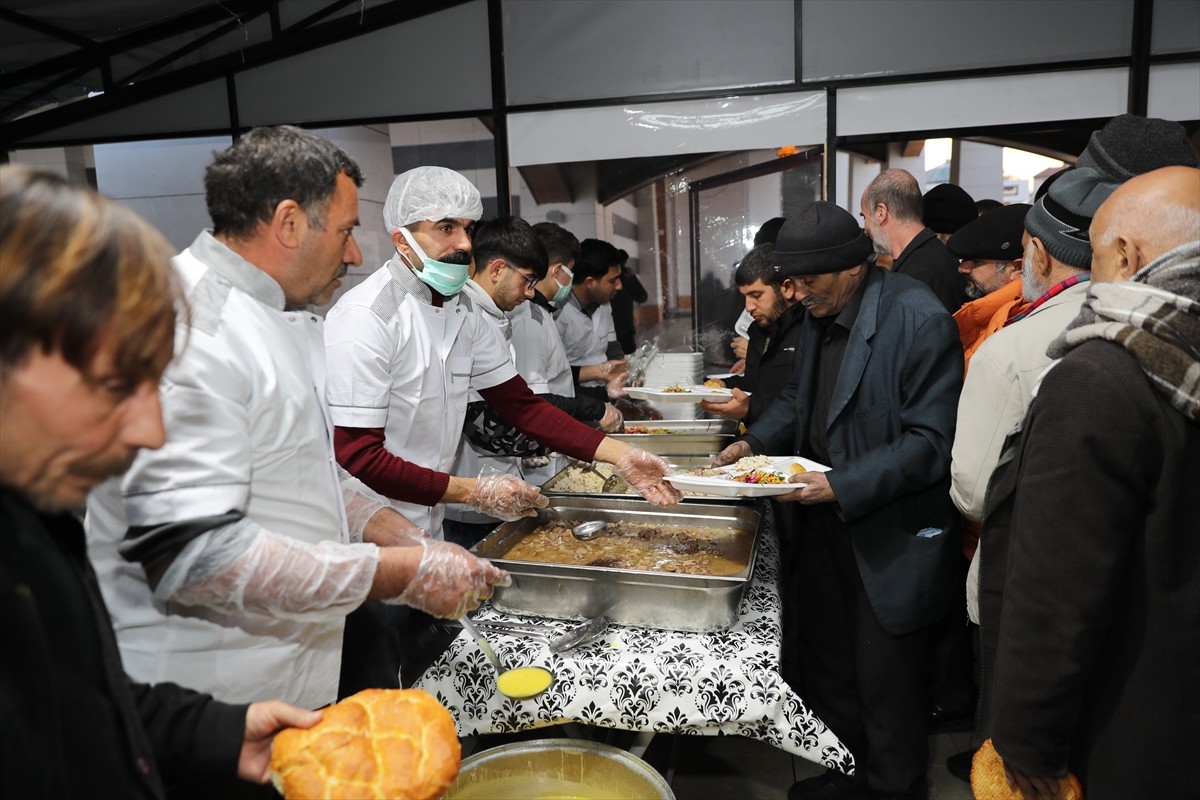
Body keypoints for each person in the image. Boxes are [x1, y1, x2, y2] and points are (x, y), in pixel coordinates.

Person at [83, 128, 509, 717]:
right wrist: (395, 573)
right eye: (345, 231)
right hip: (205, 697)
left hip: (289, 669)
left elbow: (316, 475)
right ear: (288, 223)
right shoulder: (189, 331)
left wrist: (404, 539)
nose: (355, 255)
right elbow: (195, 558)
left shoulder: (283, 317)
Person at [0, 165, 322, 799]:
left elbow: (83, 707)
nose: (150, 431)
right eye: (115, 385)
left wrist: (218, 733)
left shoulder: (36, 522)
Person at [716, 202, 963, 800]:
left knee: (886, 677)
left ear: (852, 266)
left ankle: (895, 787)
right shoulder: (819, 313)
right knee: (832, 662)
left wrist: (842, 484)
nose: (794, 294)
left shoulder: (917, 318)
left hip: (885, 528)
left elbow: (931, 443)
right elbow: (797, 400)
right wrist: (752, 443)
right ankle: (848, 772)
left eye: (806, 281)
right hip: (821, 520)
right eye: (788, 282)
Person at [980, 166, 1200, 800]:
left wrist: (1026, 741)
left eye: (1098, 257)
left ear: (1125, 256)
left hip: (1126, 726)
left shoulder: (1099, 378)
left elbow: (1057, 585)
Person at [325, 168, 676, 534]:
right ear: (402, 239)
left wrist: (622, 455)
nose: (464, 243)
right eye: (446, 228)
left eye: (468, 228)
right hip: (371, 526)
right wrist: (472, 491)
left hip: (431, 519)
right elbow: (359, 456)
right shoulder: (367, 316)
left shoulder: (462, 310)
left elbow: (523, 407)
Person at [442, 216, 622, 546]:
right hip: (472, 494)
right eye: (527, 280)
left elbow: (520, 406)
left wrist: (567, 439)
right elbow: (487, 420)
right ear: (497, 269)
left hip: (500, 485)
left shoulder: (492, 318)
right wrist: (561, 440)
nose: (530, 293)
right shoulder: (468, 318)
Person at [699, 243, 803, 426]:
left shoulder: (806, 330)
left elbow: (801, 407)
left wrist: (750, 410)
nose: (748, 307)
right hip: (758, 438)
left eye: (756, 295)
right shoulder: (758, 331)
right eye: (745, 297)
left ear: (786, 288)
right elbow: (754, 385)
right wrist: (725, 386)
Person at [861, 168, 968, 312]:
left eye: (865, 217)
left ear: (881, 213)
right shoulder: (937, 257)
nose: (866, 229)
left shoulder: (915, 278)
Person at [948, 203, 1031, 366]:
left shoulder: (1015, 324)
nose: (962, 268)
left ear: (1017, 268)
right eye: (963, 259)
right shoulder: (988, 316)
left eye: (975, 261)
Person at [555, 237, 627, 395]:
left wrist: (625, 377)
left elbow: (613, 350)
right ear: (589, 283)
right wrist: (599, 373)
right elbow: (554, 376)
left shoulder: (604, 305)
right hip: (572, 396)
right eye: (612, 281)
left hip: (605, 390)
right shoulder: (558, 314)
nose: (619, 286)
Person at [730, 217, 787, 371]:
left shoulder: (806, 316)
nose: (749, 307)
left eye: (756, 295)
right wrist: (750, 364)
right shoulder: (760, 324)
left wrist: (754, 354)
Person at [610, 248, 649, 355]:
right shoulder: (626, 276)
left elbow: (642, 296)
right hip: (623, 328)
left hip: (615, 330)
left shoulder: (619, 276)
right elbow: (642, 296)